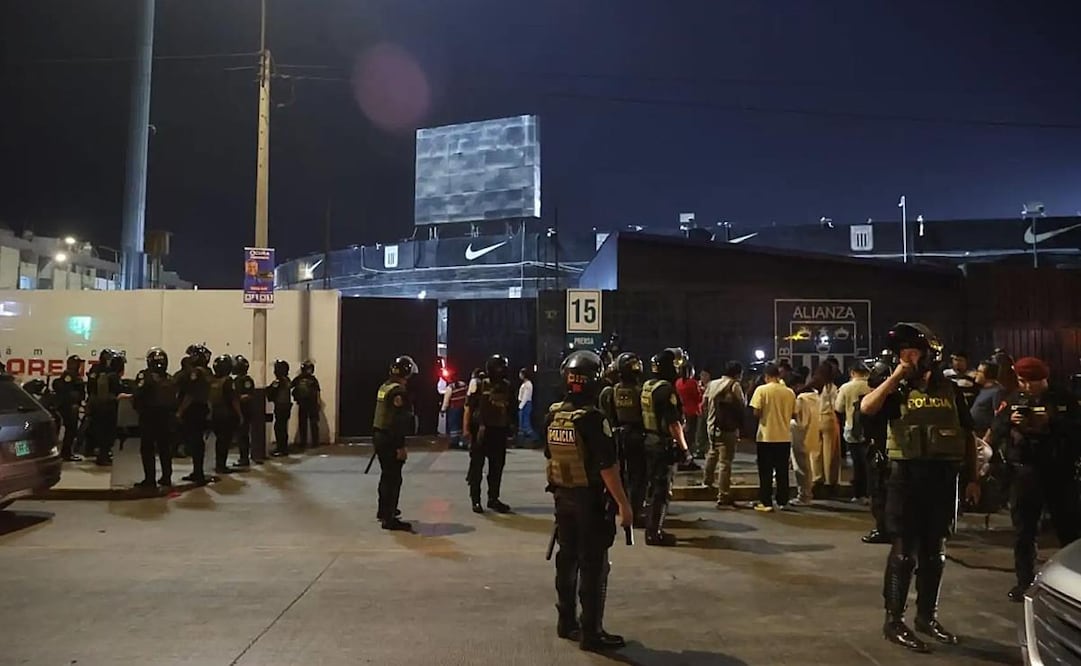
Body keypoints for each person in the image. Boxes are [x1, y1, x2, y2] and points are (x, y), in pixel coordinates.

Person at [860, 322, 980, 653]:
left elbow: (967, 435)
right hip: (905, 478)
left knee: (935, 552)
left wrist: (973, 479)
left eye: (913, 353)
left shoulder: (950, 390)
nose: (908, 358)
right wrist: (896, 376)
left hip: (943, 479)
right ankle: (894, 621)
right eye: (903, 353)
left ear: (928, 355)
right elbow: (866, 409)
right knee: (903, 552)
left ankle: (927, 617)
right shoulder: (893, 390)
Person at [545, 349, 632, 652]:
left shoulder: (554, 414)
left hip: (562, 498)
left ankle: (566, 621)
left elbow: (551, 457)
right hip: (591, 502)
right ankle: (591, 632)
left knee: (566, 559)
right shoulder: (594, 419)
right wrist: (624, 503)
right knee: (594, 565)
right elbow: (606, 467)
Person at [991, 356, 1081, 602]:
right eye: (1023, 381)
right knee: (1024, 531)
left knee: (1070, 530)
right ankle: (1024, 582)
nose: (1028, 387)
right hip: (1025, 472)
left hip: (1059, 473)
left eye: (1034, 382)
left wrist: (1052, 422)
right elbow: (996, 429)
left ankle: (1073, 583)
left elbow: (1077, 430)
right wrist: (1010, 422)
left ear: (1045, 378)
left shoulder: (1064, 398)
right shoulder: (1013, 399)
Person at [640, 347, 694, 545]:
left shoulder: (648, 386)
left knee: (652, 487)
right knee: (662, 491)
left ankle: (651, 528)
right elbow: (673, 423)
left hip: (649, 441)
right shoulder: (666, 390)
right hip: (663, 445)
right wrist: (685, 449)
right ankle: (655, 533)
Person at [371, 355, 417, 531]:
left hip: (379, 435)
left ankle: (383, 510)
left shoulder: (385, 386)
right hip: (390, 438)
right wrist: (400, 446)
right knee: (393, 478)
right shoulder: (399, 391)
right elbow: (399, 421)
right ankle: (389, 518)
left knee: (386, 475)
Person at [464, 354, 514, 513]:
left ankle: (493, 498)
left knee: (497, 467)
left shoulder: (507, 386)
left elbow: (510, 409)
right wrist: (466, 429)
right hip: (481, 431)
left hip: (498, 431)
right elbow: (469, 407)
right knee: (476, 468)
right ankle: (476, 500)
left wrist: (511, 428)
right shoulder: (479, 384)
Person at [603, 352, 648, 526]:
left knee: (619, 473)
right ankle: (635, 511)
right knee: (638, 475)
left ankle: (614, 506)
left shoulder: (612, 391)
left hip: (618, 435)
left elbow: (610, 415)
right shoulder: (641, 391)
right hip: (637, 435)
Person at [749, 363, 797, 511]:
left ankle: (766, 501)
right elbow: (794, 414)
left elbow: (756, 412)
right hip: (784, 436)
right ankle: (783, 500)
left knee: (765, 471)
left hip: (766, 436)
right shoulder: (789, 392)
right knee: (782, 471)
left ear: (766, 377)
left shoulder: (761, 390)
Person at [860, 352, 894, 545]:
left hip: (882, 450)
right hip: (883, 449)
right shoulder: (875, 400)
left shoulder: (880, 401)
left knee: (880, 492)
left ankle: (884, 529)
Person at [132, 347, 177, 488]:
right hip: (166, 418)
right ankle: (166, 477)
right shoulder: (170, 378)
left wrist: (139, 410)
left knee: (148, 449)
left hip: (149, 417)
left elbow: (137, 395)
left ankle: (150, 480)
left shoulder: (145, 376)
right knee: (165, 449)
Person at [702, 361, 745, 508]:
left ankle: (707, 482)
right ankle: (723, 495)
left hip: (712, 426)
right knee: (725, 462)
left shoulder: (712, 384)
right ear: (737, 373)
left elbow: (704, 404)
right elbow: (741, 405)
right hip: (727, 428)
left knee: (712, 452)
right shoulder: (734, 385)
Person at [836, 363, 872, 503]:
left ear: (852, 373)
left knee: (857, 463)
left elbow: (838, 408)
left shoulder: (846, 387)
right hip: (871, 429)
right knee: (870, 461)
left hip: (852, 428)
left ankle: (859, 494)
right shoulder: (872, 385)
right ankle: (870, 492)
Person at [177, 345, 213, 484]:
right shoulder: (207, 371)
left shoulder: (197, 373)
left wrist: (180, 411)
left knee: (195, 441)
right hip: (202, 409)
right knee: (197, 441)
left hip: (194, 410)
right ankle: (198, 471)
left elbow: (191, 394)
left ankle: (198, 472)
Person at [88, 349, 125, 467]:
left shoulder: (104, 374)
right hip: (107, 408)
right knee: (107, 433)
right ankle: (103, 456)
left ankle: (102, 454)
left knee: (101, 431)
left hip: (100, 405)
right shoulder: (112, 376)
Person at [208, 354, 243, 475]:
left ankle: (219, 464)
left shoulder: (212, 380)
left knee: (219, 441)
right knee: (224, 441)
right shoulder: (228, 381)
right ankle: (221, 466)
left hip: (215, 414)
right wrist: (240, 415)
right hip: (226, 415)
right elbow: (234, 400)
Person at [51, 355, 85, 461]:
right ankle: (66, 453)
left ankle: (67, 452)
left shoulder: (73, 375)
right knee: (71, 430)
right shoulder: (69, 376)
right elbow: (67, 392)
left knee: (71, 431)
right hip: (69, 407)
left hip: (69, 406)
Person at [675, 363, 703, 471]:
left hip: (682, 411)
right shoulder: (693, 383)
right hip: (692, 412)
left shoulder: (678, 383)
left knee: (684, 435)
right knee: (691, 437)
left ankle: (683, 458)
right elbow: (698, 397)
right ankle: (688, 460)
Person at [968, 360, 1004, 437]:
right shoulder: (982, 390)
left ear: (989, 374)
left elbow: (998, 416)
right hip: (975, 432)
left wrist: (988, 436)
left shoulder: (997, 392)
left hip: (984, 434)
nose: (976, 374)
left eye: (979, 371)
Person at [231, 355, 256, 468]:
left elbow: (249, 395)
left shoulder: (246, 380)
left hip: (244, 410)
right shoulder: (236, 380)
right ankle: (242, 457)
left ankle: (244, 458)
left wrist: (237, 398)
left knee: (243, 435)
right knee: (240, 435)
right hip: (238, 410)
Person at [291, 360, 321, 450]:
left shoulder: (301, 379)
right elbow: (318, 392)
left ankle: (311, 442)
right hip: (307, 404)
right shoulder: (310, 379)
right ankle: (310, 442)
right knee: (306, 424)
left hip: (308, 404)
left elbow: (318, 392)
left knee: (309, 424)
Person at [267, 359, 292, 457]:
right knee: (282, 427)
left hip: (281, 407)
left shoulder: (279, 381)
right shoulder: (287, 380)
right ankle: (282, 448)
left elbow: (270, 392)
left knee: (279, 428)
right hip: (285, 406)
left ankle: (281, 449)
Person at [441, 369, 469, 450]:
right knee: (463, 425)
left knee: (454, 425)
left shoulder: (450, 387)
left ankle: (454, 442)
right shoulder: (464, 385)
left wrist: (443, 409)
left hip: (454, 409)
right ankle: (464, 442)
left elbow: (446, 400)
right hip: (463, 408)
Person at [517, 367, 537, 442]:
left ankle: (535, 438)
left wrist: (521, 406)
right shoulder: (524, 384)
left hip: (525, 404)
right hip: (523, 404)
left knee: (526, 423)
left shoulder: (528, 384)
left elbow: (526, 396)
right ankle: (523, 440)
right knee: (522, 424)